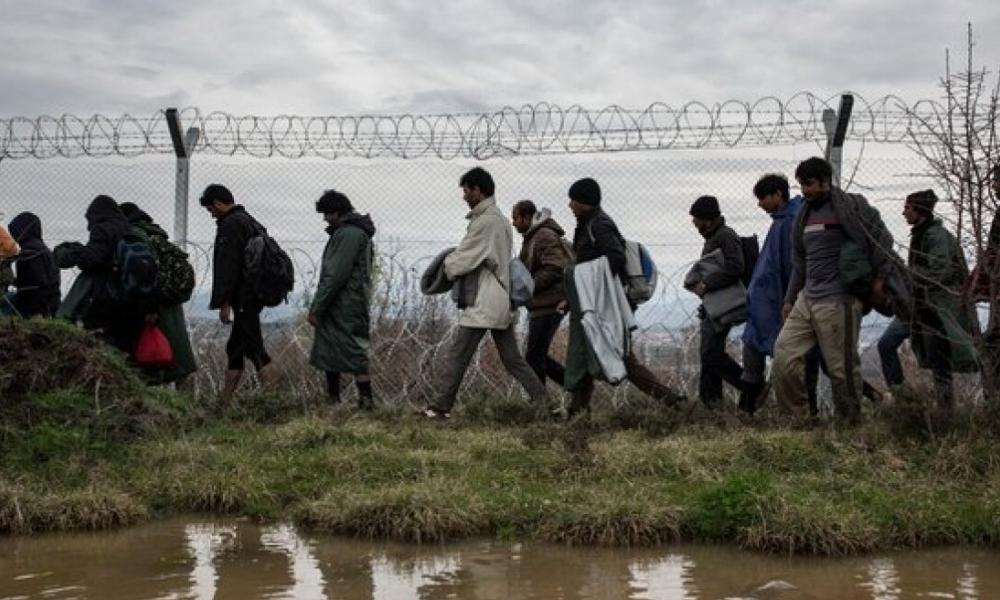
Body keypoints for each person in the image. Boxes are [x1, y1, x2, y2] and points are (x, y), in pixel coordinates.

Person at [773, 157, 909, 424]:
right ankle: (797, 421)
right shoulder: (804, 214)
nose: (805, 191)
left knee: (841, 370)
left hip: (839, 300)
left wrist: (879, 282)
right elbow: (799, 261)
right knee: (784, 356)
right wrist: (790, 299)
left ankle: (849, 425)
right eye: (802, 185)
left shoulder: (851, 207)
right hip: (807, 299)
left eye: (810, 184)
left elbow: (881, 242)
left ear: (825, 181)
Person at [422, 167, 548, 419]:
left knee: (458, 355)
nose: (464, 196)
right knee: (513, 360)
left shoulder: (486, 222)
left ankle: (439, 408)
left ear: (478, 190)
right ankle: (546, 405)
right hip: (500, 298)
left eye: (466, 190)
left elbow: (465, 257)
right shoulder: (498, 219)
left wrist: (443, 270)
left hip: (485, 300)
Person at [561, 177, 685, 417]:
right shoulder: (589, 223)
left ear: (584, 202)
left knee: (624, 359)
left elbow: (615, 257)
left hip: (608, 305)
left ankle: (674, 401)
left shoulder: (599, 225)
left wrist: (586, 278)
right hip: (595, 303)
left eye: (573, 200)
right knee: (588, 352)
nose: (570, 205)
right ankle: (577, 412)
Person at [877, 190, 976, 409]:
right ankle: (904, 402)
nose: (904, 213)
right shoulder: (923, 233)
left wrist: (904, 277)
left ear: (919, 211)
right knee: (888, 345)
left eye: (908, 208)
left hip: (935, 307)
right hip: (921, 306)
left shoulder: (936, 236)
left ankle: (944, 410)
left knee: (939, 360)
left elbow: (938, 272)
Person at [200, 184, 275, 403]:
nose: (211, 213)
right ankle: (224, 401)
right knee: (235, 348)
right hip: (254, 293)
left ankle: (272, 398)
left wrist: (224, 303)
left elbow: (228, 267)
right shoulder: (249, 220)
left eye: (210, 209)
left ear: (218, 203)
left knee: (254, 347)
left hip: (244, 296)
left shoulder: (230, 225)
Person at [739, 175, 806, 413]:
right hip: (766, 304)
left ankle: (750, 409)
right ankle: (747, 408)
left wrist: (787, 300)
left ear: (778, 195)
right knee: (754, 351)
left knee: (776, 357)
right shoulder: (783, 220)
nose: (760, 204)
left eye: (762, 198)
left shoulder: (789, 222)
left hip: (775, 303)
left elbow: (789, 266)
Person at [307, 189, 377, 410]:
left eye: (327, 214)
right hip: (349, 301)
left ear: (336, 212)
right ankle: (338, 400)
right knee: (333, 350)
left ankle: (362, 402)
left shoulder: (347, 234)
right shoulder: (355, 232)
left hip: (342, 303)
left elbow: (335, 274)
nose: (325, 219)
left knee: (353, 351)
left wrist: (317, 307)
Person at [118, 202, 198, 384]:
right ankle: (183, 405)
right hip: (170, 304)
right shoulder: (158, 237)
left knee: (147, 360)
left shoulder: (136, 238)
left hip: (150, 306)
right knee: (173, 357)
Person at [54, 195, 144, 353]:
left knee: (100, 345)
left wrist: (75, 253)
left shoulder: (103, 228)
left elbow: (91, 259)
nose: (89, 226)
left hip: (106, 297)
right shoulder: (130, 229)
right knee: (125, 349)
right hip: (131, 299)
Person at [687, 195, 745, 409]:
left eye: (697, 220)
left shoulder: (725, 236)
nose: (694, 224)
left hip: (723, 305)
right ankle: (711, 404)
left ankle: (750, 386)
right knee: (708, 354)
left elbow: (736, 266)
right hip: (713, 305)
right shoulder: (714, 237)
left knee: (711, 353)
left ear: (708, 219)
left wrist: (707, 284)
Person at [512, 199, 571, 387]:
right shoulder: (533, 237)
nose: (513, 223)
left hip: (550, 304)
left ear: (527, 217)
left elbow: (555, 267)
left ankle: (544, 402)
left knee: (534, 358)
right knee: (536, 357)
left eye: (516, 218)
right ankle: (574, 387)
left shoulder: (543, 235)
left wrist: (529, 286)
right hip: (542, 304)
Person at [4, 212, 60, 318]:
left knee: (3, 304)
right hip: (51, 302)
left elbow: (30, 286)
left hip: (35, 306)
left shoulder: (29, 252)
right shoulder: (41, 248)